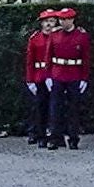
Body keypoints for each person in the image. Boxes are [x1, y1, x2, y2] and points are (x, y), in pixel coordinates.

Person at [44, 6, 91, 149]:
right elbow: (48, 55)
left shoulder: (81, 36)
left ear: (72, 19)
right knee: (55, 108)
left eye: (65, 19)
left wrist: (84, 78)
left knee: (73, 108)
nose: (62, 22)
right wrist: (48, 75)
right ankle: (55, 138)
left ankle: (73, 137)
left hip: (74, 74)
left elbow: (86, 58)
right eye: (60, 19)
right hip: (57, 73)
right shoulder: (55, 34)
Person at [20, 8, 58, 146]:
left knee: (54, 107)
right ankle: (36, 133)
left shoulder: (58, 37)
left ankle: (53, 134)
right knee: (38, 107)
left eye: (52, 21)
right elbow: (30, 61)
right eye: (46, 21)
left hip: (54, 76)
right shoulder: (35, 39)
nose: (49, 24)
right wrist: (30, 80)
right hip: (39, 76)